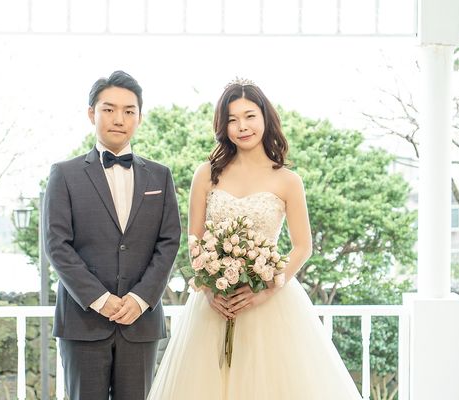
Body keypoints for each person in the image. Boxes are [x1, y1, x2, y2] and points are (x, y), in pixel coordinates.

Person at [147, 79, 362, 399]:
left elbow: (303, 247)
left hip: (270, 303)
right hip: (214, 305)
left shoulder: (288, 180)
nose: (242, 126)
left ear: (265, 117)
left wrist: (265, 290)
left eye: (249, 116)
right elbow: (195, 241)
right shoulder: (206, 174)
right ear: (223, 126)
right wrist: (210, 290)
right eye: (232, 119)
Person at [43, 70, 181, 400]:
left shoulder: (160, 176)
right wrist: (100, 299)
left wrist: (140, 298)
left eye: (129, 111)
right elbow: (56, 245)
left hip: (140, 323)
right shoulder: (64, 174)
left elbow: (169, 242)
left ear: (139, 117)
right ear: (92, 113)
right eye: (109, 109)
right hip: (83, 322)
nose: (119, 119)